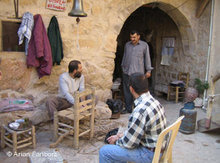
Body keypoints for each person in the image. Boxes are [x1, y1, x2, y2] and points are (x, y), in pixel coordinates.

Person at [99, 73, 167, 163]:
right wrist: (119, 136)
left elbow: (129, 144)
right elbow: (137, 132)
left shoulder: (140, 110)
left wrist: (116, 141)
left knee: (105, 151)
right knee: (118, 147)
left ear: (131, 89)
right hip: (158, 149)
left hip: (148, 154)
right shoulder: (155, 102)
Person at [121, 30, 153, 114]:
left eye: (134, 37)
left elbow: (147, 58)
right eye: (131, 37)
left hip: (138, 74)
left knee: (138, 91)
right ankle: (128, 108)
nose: (132, 39)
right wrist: (123, 67)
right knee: (127, 91)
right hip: (127, 72)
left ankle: (137, 109)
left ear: (138, 36)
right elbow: (124, 56)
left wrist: (148, 70)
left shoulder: (144, 45)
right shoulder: (127, 45)